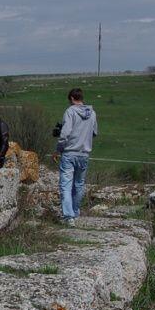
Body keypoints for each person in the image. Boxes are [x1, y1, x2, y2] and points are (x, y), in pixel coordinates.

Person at [56, 87, 97, 226]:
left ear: (72, 98)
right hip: (84, 153)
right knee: (79, 184)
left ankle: (68, 216)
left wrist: (59, 148)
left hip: (69, 152)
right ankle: (75, 211)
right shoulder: (92, 113)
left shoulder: (70, 111)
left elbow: (65, 133)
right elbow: (94, 132)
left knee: (66, 185)